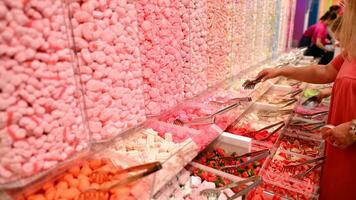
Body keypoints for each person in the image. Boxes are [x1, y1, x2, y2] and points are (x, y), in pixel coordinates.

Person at [257, 0, 356, 199]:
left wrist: (354, 128)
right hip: (336, 146)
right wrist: (282, 71)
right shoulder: (352, 48)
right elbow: (325, 71)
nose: (343, 9)